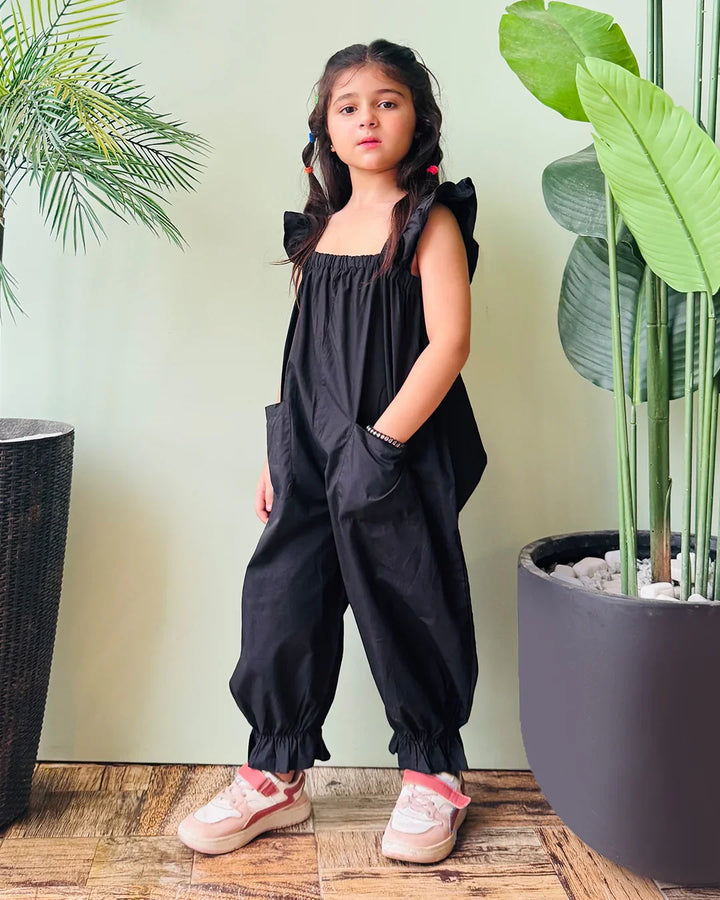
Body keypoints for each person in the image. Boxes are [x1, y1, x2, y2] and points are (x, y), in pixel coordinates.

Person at [177, 38, 488, 866]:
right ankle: (274, 773)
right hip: (310, 449)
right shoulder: (322, 228)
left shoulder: (431, 219)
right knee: (282, 597)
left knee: (407, 599)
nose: (368, 118)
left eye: (387, 101)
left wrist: (382, 443)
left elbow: (448, 343)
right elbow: (303, 350)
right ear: (324, 127)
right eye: (349, 106)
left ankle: (431, 778)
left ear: (416, 117)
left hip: (396, 453)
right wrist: (281, 456)